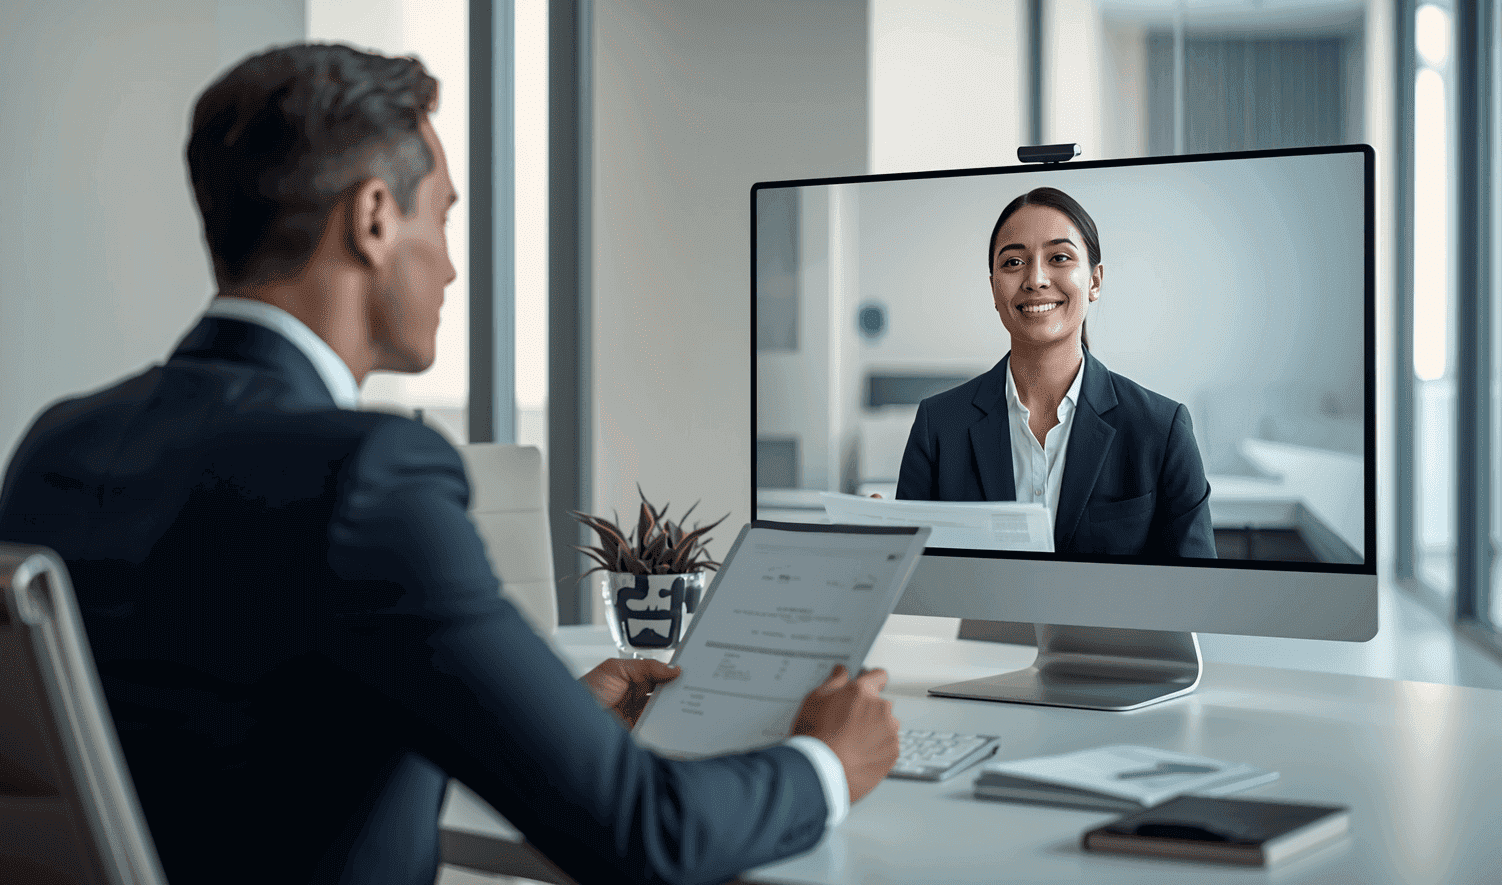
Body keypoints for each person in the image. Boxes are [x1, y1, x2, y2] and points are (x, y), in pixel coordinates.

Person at [0, 43, 898, 885]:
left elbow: (240, 730)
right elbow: (644, 831)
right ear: (374, 219)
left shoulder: (59, 444)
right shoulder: (366, 475)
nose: (453, 268)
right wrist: (826, 761)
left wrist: (542, 723)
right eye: (445, 214)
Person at [894, 187, 1216, 559]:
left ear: (1094, 281)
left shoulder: (1161, 429)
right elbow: (911, 578)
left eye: (1059, 257)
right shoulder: (938, 425)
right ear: (994, 289)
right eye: (1013, 262)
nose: (1035, 279)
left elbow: (1197, 585)